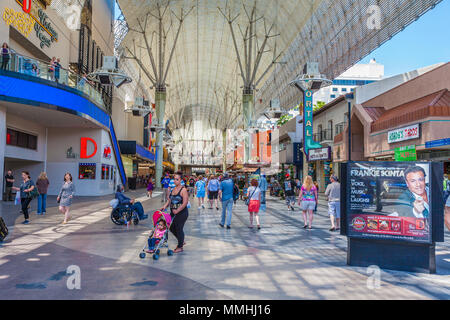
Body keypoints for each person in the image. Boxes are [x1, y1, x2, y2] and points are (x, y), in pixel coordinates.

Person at [160, 171, 189, 253]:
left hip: (182, 213)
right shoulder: (173, 189)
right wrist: (164, 206)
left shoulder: (183, 190)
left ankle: (180, 247)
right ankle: (181, 240)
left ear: (180, 180)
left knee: (179, 228)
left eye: (177, 179)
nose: (175, 181)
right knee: (171, 227)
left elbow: (185, 203)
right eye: (174, 179)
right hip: (173, 212)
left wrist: (177, 210)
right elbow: (169, 200)